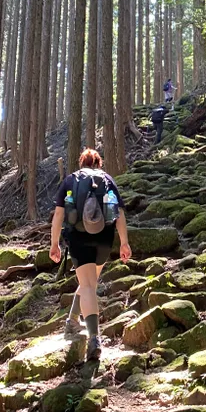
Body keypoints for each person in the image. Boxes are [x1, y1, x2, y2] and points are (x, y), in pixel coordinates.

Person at [49, 148, 131, 361]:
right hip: (104, 237)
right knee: (90, 283)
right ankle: (72, 320)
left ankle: (94, 338)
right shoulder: (107, 179)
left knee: (87, 285)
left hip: (79, 237)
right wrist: (124, 242)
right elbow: (119, 213)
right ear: (98, 163)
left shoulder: (70, 180)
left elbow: (59, 214)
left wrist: (54, 244)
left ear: (81, 162)